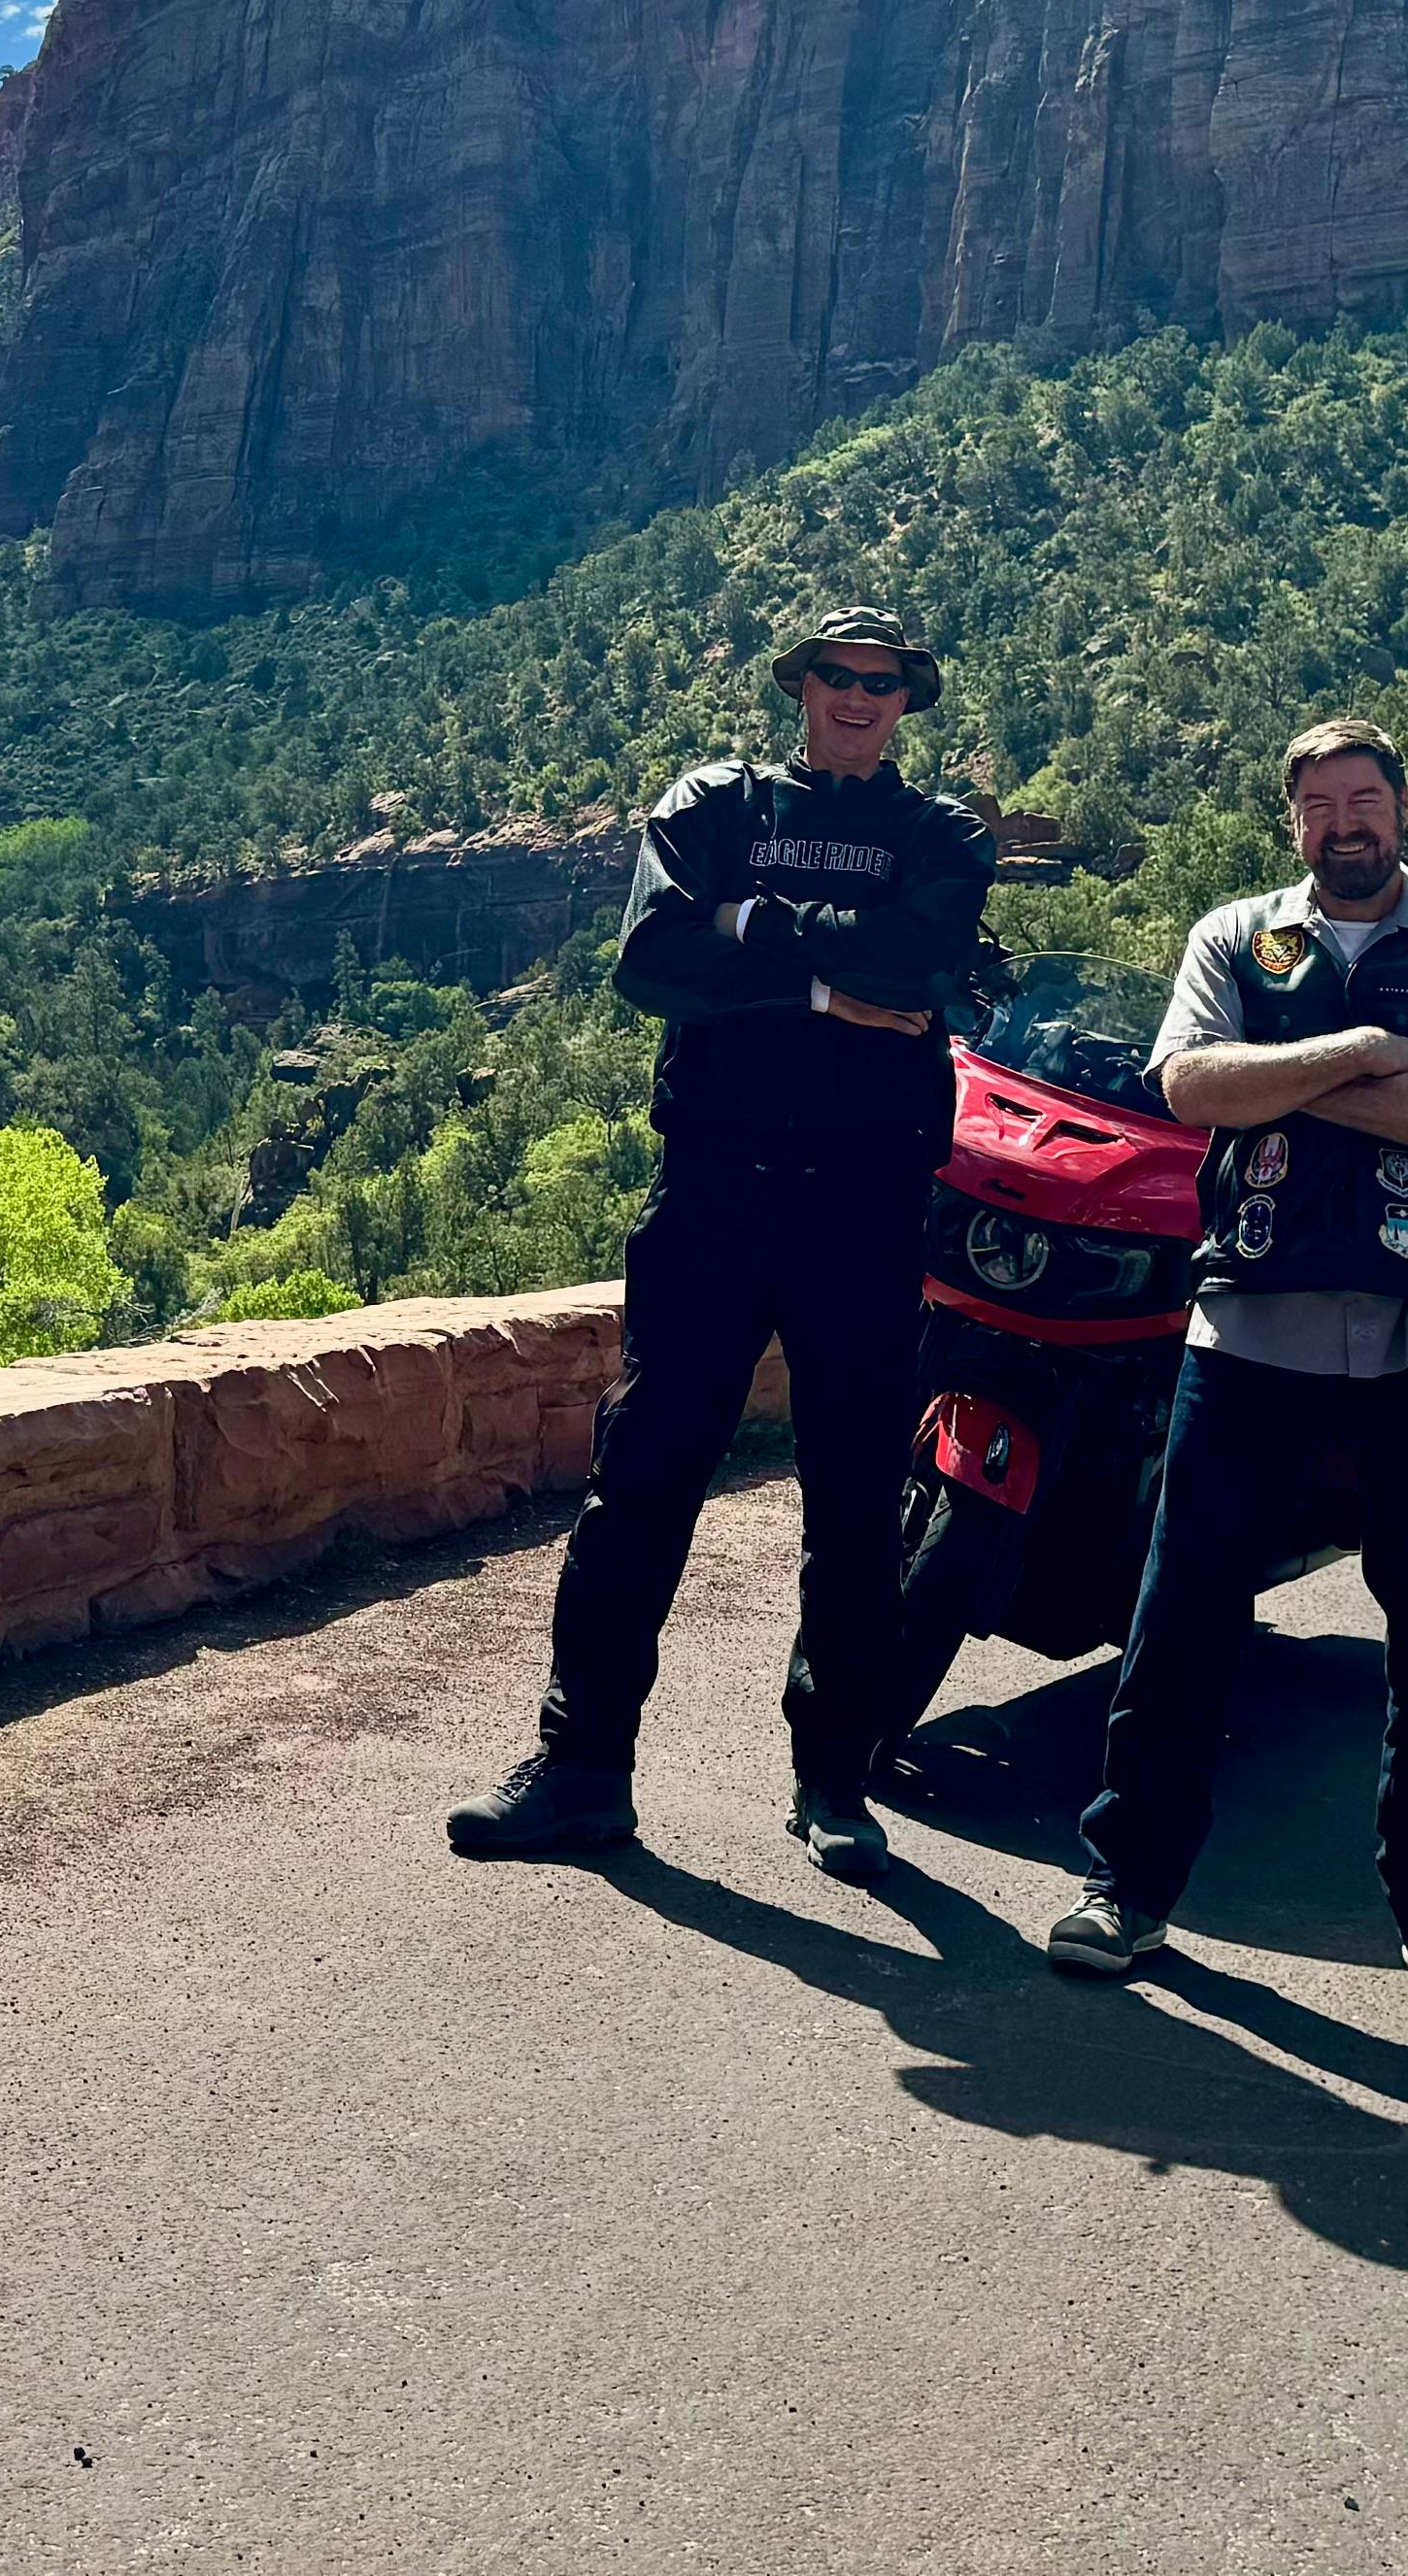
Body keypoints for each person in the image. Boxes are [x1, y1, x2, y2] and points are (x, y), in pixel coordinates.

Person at [448, 607, 1002, 1877]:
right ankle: (580, 1769)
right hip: (712, 1194)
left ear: (907, 699)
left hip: (864, 1206)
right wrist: (814, 980)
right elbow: (651, 959)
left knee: (859, 1499)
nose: (857, 698)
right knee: (639, 1481)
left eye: (882, 682)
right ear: (797, 686)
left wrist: (748, 926)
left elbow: (920, 963)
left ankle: (834, 1782)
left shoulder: (940, 834)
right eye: (835, 677)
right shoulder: (712, 803)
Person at [1046, 718, 1408, 2018]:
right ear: (1293, 824)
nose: (1344, 823)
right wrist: (1371, 1054)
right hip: (1249, 1323)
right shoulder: (1235, 938)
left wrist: (1279, 1082)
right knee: (1182, 1617)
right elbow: (1186, 1089)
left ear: (1400, 807)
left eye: (1363, 798)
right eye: (1318, 804)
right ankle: (1128, 1889)